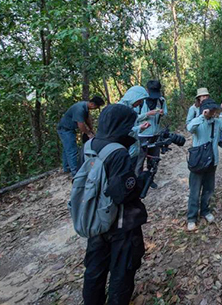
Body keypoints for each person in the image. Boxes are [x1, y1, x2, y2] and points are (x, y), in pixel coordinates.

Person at [82, 104, 150, 305]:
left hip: (96, 220)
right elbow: (123, 193)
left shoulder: (88, 146)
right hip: (120, 224)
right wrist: (141, 180)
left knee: (95, 269)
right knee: (122, 272)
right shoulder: (118, 152)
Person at [186, 98, 222, 231]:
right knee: (194, 191)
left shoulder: (217, 122)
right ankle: (191, 217)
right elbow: (189, 128)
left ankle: (205, 211)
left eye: (214, 110)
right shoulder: (199, 122)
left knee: (209, 189)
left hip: (212, 161)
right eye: (211, 110)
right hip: (198, 162)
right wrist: (202, 116)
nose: (213, 112)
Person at [57, 96, 105, 176]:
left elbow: (86, 119)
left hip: (69, 129)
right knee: (72, 151)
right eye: (97, 107)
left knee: (67, 149)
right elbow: (81, 125)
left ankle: (67, 168)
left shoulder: (85, 107)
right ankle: (75, 173)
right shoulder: (80, 109)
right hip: (65, 130)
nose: (96, 109)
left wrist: (91, 129)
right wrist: (88, 134)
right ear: (93, 104)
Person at [135, 80, 168, 174]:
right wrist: (147, 114)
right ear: (147, 90)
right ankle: (138, 179)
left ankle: (150, 177)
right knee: (140, 159)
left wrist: (161, 113)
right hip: (142, 135)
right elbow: (134, 118)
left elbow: (165, 112)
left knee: (154, 157)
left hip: (156, 134)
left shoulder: (161, 100)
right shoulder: (140, 101)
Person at [117, 86, 152, 170]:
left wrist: (141, 126)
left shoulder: (131, 108)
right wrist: (139, 128)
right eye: (140, 100)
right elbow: (122, 132)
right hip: (126, 152)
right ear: (134, 97)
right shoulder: (120, 110)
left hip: (133, 150)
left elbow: (135, 119)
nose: (140, 103)